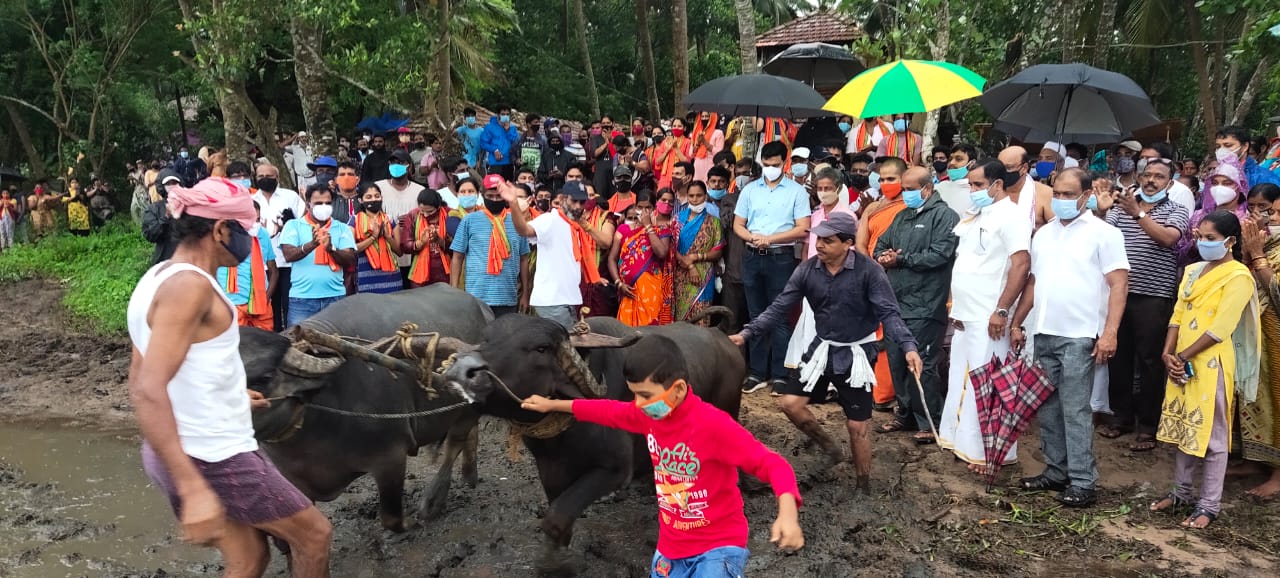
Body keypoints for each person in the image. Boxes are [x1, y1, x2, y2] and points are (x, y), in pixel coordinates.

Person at [128, 176, 331, 576]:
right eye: (246, 231)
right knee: (313, 536)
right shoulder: (190, 288)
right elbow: (148, 389)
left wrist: (233, 395)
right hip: (210, 456)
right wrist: (191, 487)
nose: (249, 241)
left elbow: (149, 372)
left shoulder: (157, 277)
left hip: (185, 447)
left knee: (251, 557)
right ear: (221, 229)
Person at [519, 335, 804, 576]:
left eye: (645, 395)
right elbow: (605, 410)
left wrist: (788, 513)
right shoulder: (648, 416)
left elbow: (771, 463)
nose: (638, 404)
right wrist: (553, 404)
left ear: (678, 389)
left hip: (718, 547)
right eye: (633, 395)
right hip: (670, 548)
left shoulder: (713, 426)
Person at [730, 212, 923, 489]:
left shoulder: (869, 271)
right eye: (818, 239)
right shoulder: (808, 269)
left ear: (847, 244)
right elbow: (779, 307)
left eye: (828, 241)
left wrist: (908, 347)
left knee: (858, 427)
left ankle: (863, 484)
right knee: (789, 404)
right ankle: (829, 446)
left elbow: (890, 314)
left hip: (855, 354)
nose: (819, 245)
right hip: (820, 351)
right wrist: (747, 333)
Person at [1010, 168, 1129, 508]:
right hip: (1044, 330)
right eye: (1057, 194)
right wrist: (1018, 322)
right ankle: (1056, 470)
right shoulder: (1044, 234)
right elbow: (1033, 282)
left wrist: (1110, 333)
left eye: (1068, 194)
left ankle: (1082, 480)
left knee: (1075, 408)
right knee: (1046, 407)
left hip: (1080, 334)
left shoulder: (1104, 233)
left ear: (1087, 195)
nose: (1061, 200)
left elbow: (1119, 283)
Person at [1150, 211, 1258, 529]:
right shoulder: (1194, 271)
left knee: (1213, 435)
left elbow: (1221, 327)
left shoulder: (1239, 276)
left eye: (1211, 239)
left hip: (1211, 363)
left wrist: (1182, 355)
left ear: (1231, 242)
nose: (1203, 243)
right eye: (1200, 237)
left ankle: (1209, 505)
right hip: (1182, 358)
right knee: (1185, 426)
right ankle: (1180, 493)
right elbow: (1178, 312)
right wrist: (1168, 352)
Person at [940, 160, 1031, 471]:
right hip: (966, 312)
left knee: (990, 383)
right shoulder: (977, 214)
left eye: (978, 185)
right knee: (961, 379)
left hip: (990, 314)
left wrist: (1002, 309)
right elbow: (965, 262)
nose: (973, 191)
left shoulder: (1013, 216)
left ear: (997, 185)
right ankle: (964, 444)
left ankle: (991, 453)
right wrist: (954, 303)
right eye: (972, 185)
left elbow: (1021, 265)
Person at [1095, 158, 1190, 451]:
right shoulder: (1122, 206)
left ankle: (1148, 426)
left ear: (1170, 182)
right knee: (1118, 356)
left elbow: (1168, 239)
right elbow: (1103, 236)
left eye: (1158, 176)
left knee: (1150, 361)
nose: (1150, 180)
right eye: (1146, 174)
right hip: (1118, 293)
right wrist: (1101, 210)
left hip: (1155, 295)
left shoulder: (1178, 210)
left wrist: (1138, 214)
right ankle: (1120, 418)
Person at [873, 167, 960, 443]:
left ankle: (930, 420)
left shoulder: (945, 216)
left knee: (921, 363)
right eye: (904, 189)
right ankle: (906, 413)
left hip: (926, 302)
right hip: (896, 301)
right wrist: (884, 256)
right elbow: (881, 245)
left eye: (911, 189)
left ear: (927, 188)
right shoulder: (902, 215)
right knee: (897, 360)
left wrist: (902, 259)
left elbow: (940, 254)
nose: (906, 194)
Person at [734, 141, 811, 394]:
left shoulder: (796, 192)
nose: (770, 169)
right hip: (753, 254)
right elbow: (738, 225)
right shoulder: (750, 190)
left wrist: (772, 238)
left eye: (775, 165)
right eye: (766, 165)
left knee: (779, 316)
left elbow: (803, 228)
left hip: (781, 256)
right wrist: (751, 237)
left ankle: (780, 374)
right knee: (756, 314)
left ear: (784, 163)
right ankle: (756, 372)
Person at [503, 180, 601, 328]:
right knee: (567, 347)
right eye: (574, 201)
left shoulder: (575, 227)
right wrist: (513, 204)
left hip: (567, 300)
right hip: (551, 301)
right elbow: (524, 230)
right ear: (561, 199)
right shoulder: (550, 220)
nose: (578, 207)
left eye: (582, 202)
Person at [1238, 183, 1280, 498]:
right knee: (1255, 397)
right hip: (1258, 332)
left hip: (1276, 332)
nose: (1268, 216)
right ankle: (1257, 460)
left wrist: (1257, 256)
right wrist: (1249, 251)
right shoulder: (1267, 240)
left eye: (1275, 211)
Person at [449, 177, 531, 317]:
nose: (494, 200)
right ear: (482, 195)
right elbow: (457, 257)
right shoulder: (469, 220)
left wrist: (525, 294)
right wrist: (454, 291)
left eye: (498, 196)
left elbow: (524, 259)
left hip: (508, 296)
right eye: (490, 196)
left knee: (506, 338)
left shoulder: (518, 222)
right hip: (476, 297)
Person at [279, 184, 357, 326]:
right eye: (318, 203)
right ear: (308, 205)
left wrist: (331, 249)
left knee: (337, 344)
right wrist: (312, 245)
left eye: (327, 203)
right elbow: (288, 255)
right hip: (301, 300)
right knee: (299, 345)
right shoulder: (293, 225)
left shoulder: (342, 227)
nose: (323, 206)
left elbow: (350, 259)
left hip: (335, 298)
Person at [252, 163, 308, 331]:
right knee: (269, 304)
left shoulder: (289, 197)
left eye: (268, 176)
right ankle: (274, 335)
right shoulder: (251, 200)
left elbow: (303, 222)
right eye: (260, 176)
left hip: (288, 260)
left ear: (277, 178)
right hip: (262, 262)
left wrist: (288, 227)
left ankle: (291, 336)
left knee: (289, 303)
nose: (264, 179)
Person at [610, 190, 676, 326]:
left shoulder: (662, 230)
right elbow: (611, 259)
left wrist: (648, 226)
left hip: (651, 292)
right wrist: (618, 283)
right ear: (635, 207)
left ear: (654, 208)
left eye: (648, 208)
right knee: (626, 333)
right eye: (640, 207)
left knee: (650, 333)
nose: (644, 211)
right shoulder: (623, 230)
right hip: (627, 290)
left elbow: (661, 253)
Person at [216, 197, 278, 331]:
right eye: (250, 219)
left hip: (261, 305)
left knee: (264, 346)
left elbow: (273, 270)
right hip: (232, 304)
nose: (254, 223)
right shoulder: (223, 236)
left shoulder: (262, 234)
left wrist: (265, 299)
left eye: (257, 219)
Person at [1180, 157, 1249, 264]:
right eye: (1215, 183)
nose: (1219, 187)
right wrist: (1194, 245)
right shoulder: (1198, 216)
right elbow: (1181, 254)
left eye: (1227, 183)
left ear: (1239, 186)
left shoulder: (1247, 220)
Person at [673, 180, 724, 322]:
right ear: (687, 197)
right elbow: (671, 248)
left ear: (705, 196)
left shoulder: (714, 222)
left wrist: (695, 257)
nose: (695, 200)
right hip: (680, 275)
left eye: (699, 196)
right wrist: (689, 265)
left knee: (702, 318)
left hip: (703, 277)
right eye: (691, 196)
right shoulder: (678, 220)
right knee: (679, 321)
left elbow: (718, 251)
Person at [376, 150, 426, 285]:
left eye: (401, 162)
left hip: (412, 250)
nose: (396, 165)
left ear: (409, 166)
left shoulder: (419, 190)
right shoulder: (378, 187)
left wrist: (411, 219)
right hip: (385, 250)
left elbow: (425, 215)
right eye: (393, 162)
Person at [396, 187, 458, 290]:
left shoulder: (450, 214)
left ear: (438, 207)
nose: (425, 215)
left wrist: (439, 240)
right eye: (422, 212)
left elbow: (458, 246)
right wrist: (420, 242)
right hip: (420, 274)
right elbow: (405, 246)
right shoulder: (413, 215)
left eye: (429, 212)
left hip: (446, 272)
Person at [351, 183, 403, 294]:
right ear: (360, 200)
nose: (374, 199)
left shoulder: (390, 220)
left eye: (377, 196)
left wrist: (387, 236)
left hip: (391, 278)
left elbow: (399, 252)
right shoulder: (354, 220)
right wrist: (373, 236)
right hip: (366, 279)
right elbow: (352, 249)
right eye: (368, 197)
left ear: (381, 198)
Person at [934, 143, 978, 216]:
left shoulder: (977, 194)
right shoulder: (939, 188)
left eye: (958, 159)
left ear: (971, 164)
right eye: (950, 159)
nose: (952, 163)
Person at [480, 105, 520, 180]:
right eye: (503, 114)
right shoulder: (490, 127)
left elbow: (516, 143)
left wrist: (508, 131)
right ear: (498, 115)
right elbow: (483, 143)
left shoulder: (512, 128)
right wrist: (494, 150)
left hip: (509, 163)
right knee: (494, 188)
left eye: (507, 114)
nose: (505, 116)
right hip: (494, 164)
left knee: (507, 188)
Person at [689, 112, 723, 181]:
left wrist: (704, 142)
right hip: (698, 165)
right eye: (702, 116)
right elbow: (691, 155)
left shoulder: (718, 133)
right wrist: (698, 143)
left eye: (707, 116)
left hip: (711, 165)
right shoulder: (696, 133)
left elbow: (719, 154)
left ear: (712, 118)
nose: (704, 119)